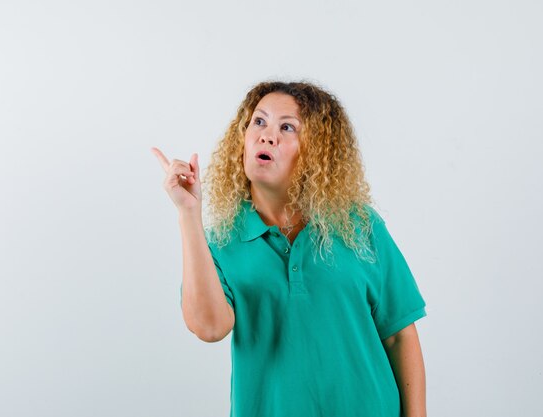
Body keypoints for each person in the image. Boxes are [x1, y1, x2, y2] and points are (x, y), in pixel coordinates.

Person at [151, 80, 428, 417]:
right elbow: (209, 328)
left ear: (315, 150)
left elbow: (399, 336)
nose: (267, 135)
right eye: (259, 121)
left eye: (287, 127)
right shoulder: (223, 242)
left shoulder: (358, 225)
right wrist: (188, 214)